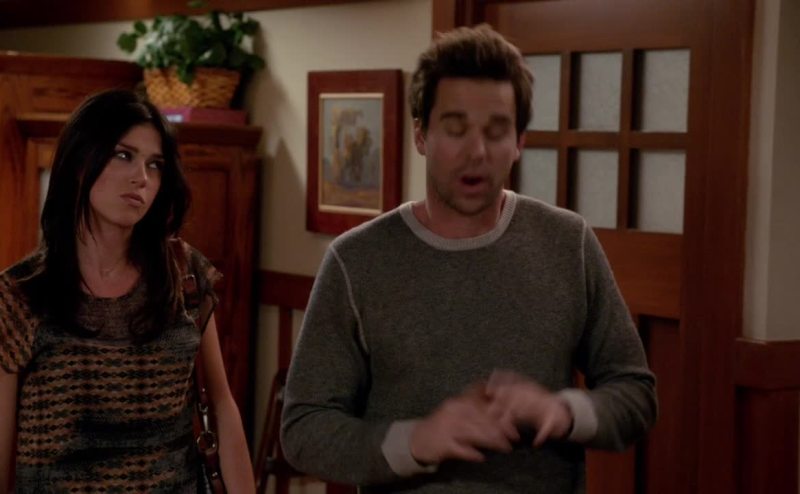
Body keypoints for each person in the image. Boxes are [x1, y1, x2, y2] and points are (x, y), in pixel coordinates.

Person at [281, 25, 657, 493]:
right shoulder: (356, 261)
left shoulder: (568, 243)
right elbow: (304, 429)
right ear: (421, 134)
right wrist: (417, 440)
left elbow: (635, 393)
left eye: (496, 132)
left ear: (519, 142)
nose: (476, 152)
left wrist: (562, 412)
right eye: (456, 129)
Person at [0, 89, 255, 493]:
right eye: (123, 155)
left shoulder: (183, 273)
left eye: (155, 165)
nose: (143, 178)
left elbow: (222, 406)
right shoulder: (20, 294)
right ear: (80, 160)